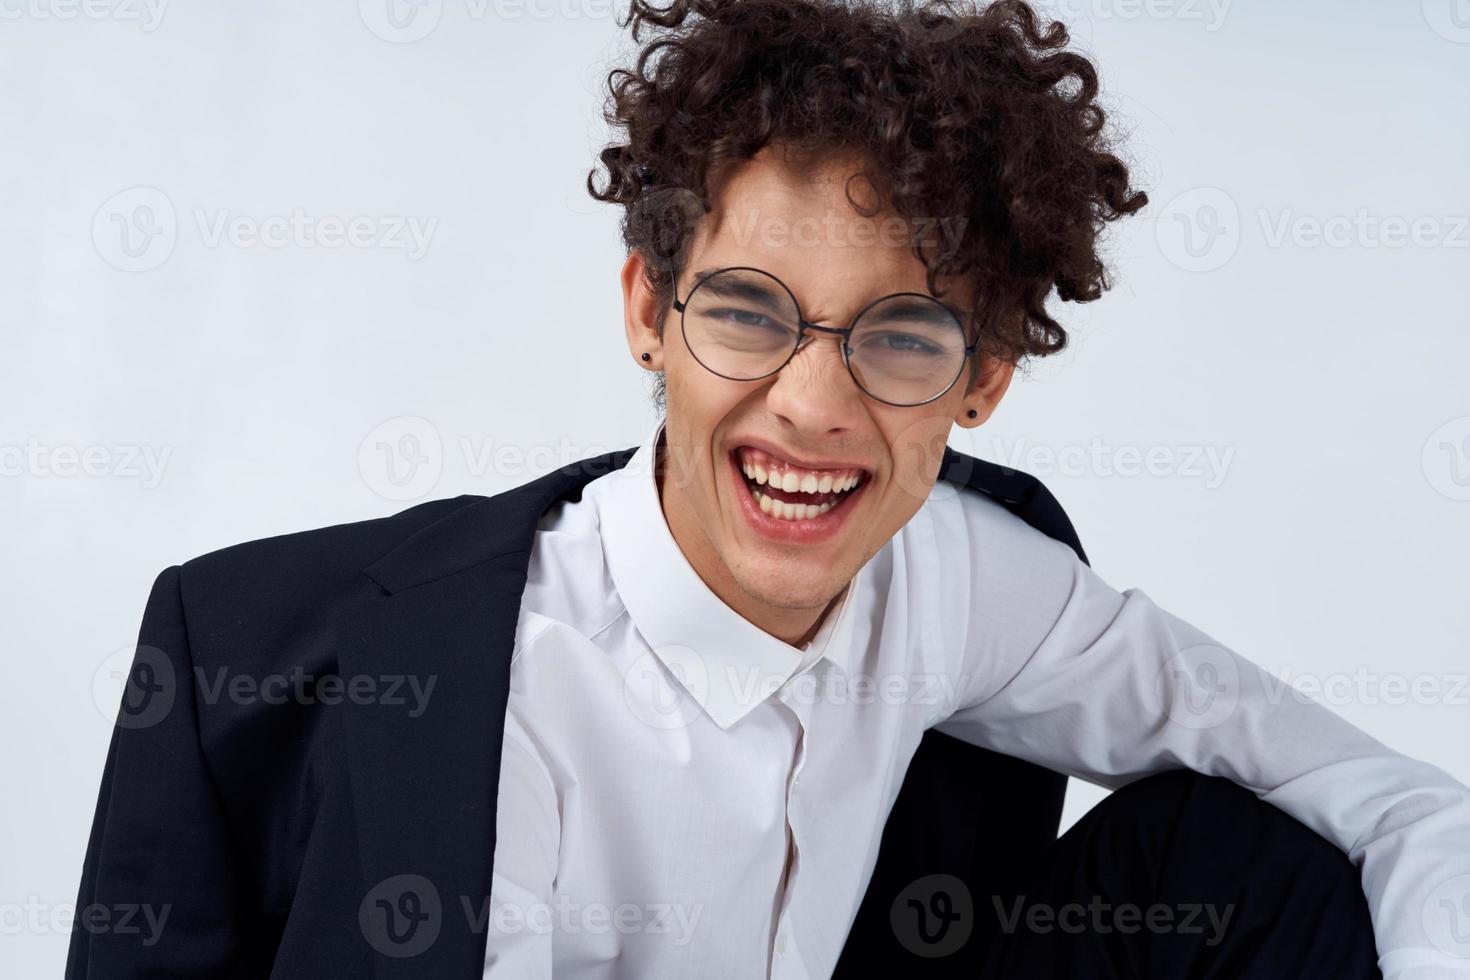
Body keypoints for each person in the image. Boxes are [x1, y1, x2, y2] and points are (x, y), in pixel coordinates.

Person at [69, 1, 1470, 978]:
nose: (812, 402)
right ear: (647, 312)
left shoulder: (969, 582)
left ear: (979, 379)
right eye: (747, 310)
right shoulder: (478, 687)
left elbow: (1398, 806)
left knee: (1239, 855)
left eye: (902, 337)